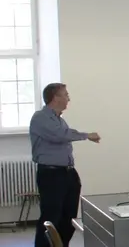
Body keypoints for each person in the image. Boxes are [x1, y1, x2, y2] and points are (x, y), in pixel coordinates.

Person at [31, 83, 101, 247]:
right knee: (51, 217)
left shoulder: (59, 119)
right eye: (66, 94)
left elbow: (64, 134)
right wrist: (87, 135)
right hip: (51, 174)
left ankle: (61, 245)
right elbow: (59, 136)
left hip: (67, 173)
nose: (68, 98)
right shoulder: (40, 117)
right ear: (55, 98)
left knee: (68, 217)